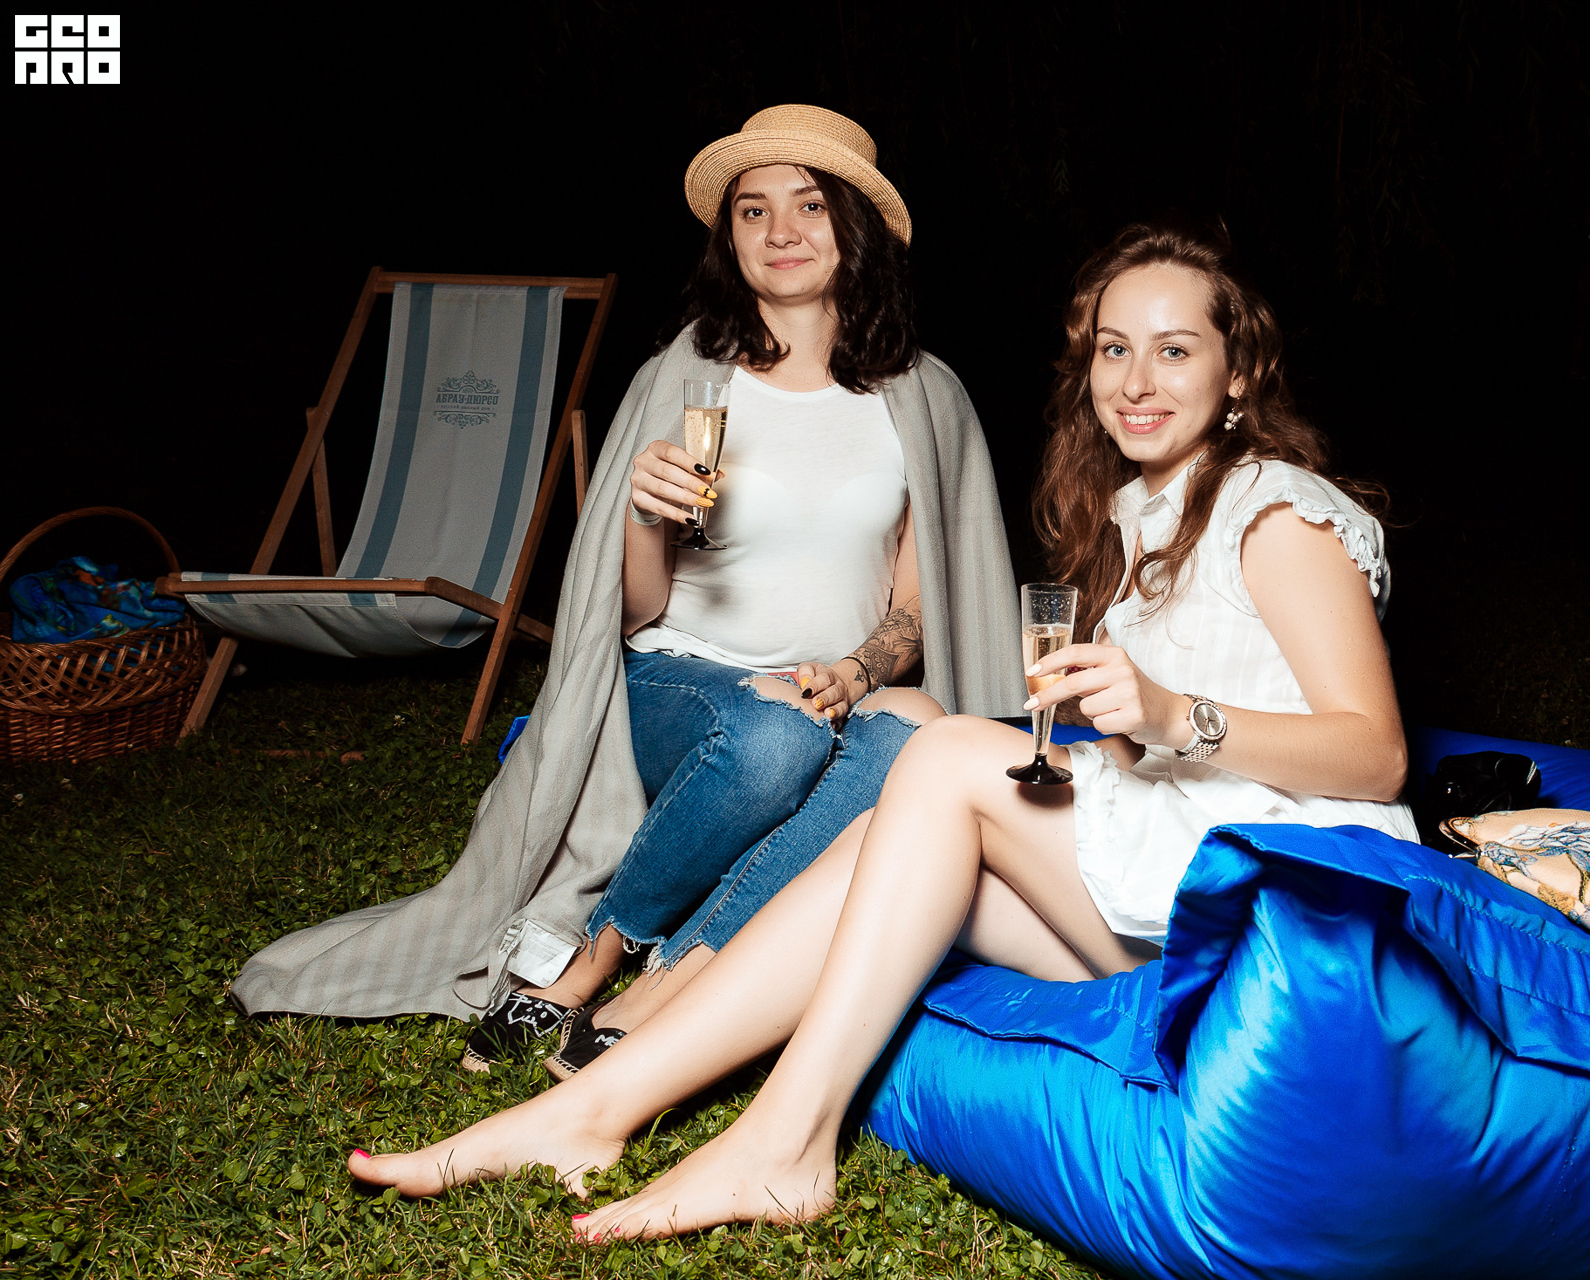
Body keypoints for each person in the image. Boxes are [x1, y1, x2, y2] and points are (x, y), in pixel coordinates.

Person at [347, 221, 1416, 1239]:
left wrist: (1172, 714)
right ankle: (592, 1107)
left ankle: (786, 1141)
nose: (1137, 381)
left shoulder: (1278, 510)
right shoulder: (1140, 518)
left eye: (1174, 350)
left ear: (1239, 373)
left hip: (1275, 906)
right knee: (883, 831)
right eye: (1114, 349)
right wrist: (1121, 733)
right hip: (1172, 881)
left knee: (941, 748)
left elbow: (1376, 753)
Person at [226, 106, 1024, 1074]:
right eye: (753, 211)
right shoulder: (686, 379)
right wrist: (645, 513)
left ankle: (657, 995)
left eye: (810, 206)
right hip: (682, 680)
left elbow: (919, 605)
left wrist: (858, 672)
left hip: (832, 691)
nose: (780, 231)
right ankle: (582, 969)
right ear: (729, 238)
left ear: (857, 228)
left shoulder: (923, 396)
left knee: (915, 731)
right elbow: (634, 611)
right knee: (775, 734)